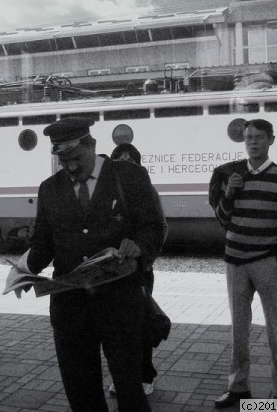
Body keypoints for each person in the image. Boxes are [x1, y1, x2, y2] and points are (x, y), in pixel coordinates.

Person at [10, 117, 166, 412]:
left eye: (76, 158)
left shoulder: (128, 176)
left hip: (120, 303)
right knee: (81, 391)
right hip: (70, 307)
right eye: (62, 159)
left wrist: (140, 248)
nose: (69, 166)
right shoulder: (50, 189)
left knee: (130, 389)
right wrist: (23, 271)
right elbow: (43, 243)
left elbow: (154, 226)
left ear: (91, 145)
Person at [209, 119, 277, 406]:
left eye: (259, 137)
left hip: (266, 264)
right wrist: (229, 193)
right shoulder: (233, 176)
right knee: (239, 329)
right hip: (235, 263)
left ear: (271, 140)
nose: (252, 142)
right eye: (248, 137)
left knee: (276, 329)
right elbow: (224, 220)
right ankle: (238, 387)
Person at [109, 142, 168, 396]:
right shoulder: (108, 191)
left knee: (140, 325)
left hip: (140, 269)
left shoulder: (147, 190)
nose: (125, 165)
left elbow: (160, 227)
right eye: (119, 160)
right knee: (116, 329)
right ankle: (121, 378)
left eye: (130, 160)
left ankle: (145, 374)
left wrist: (147, 257)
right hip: (113, 270)